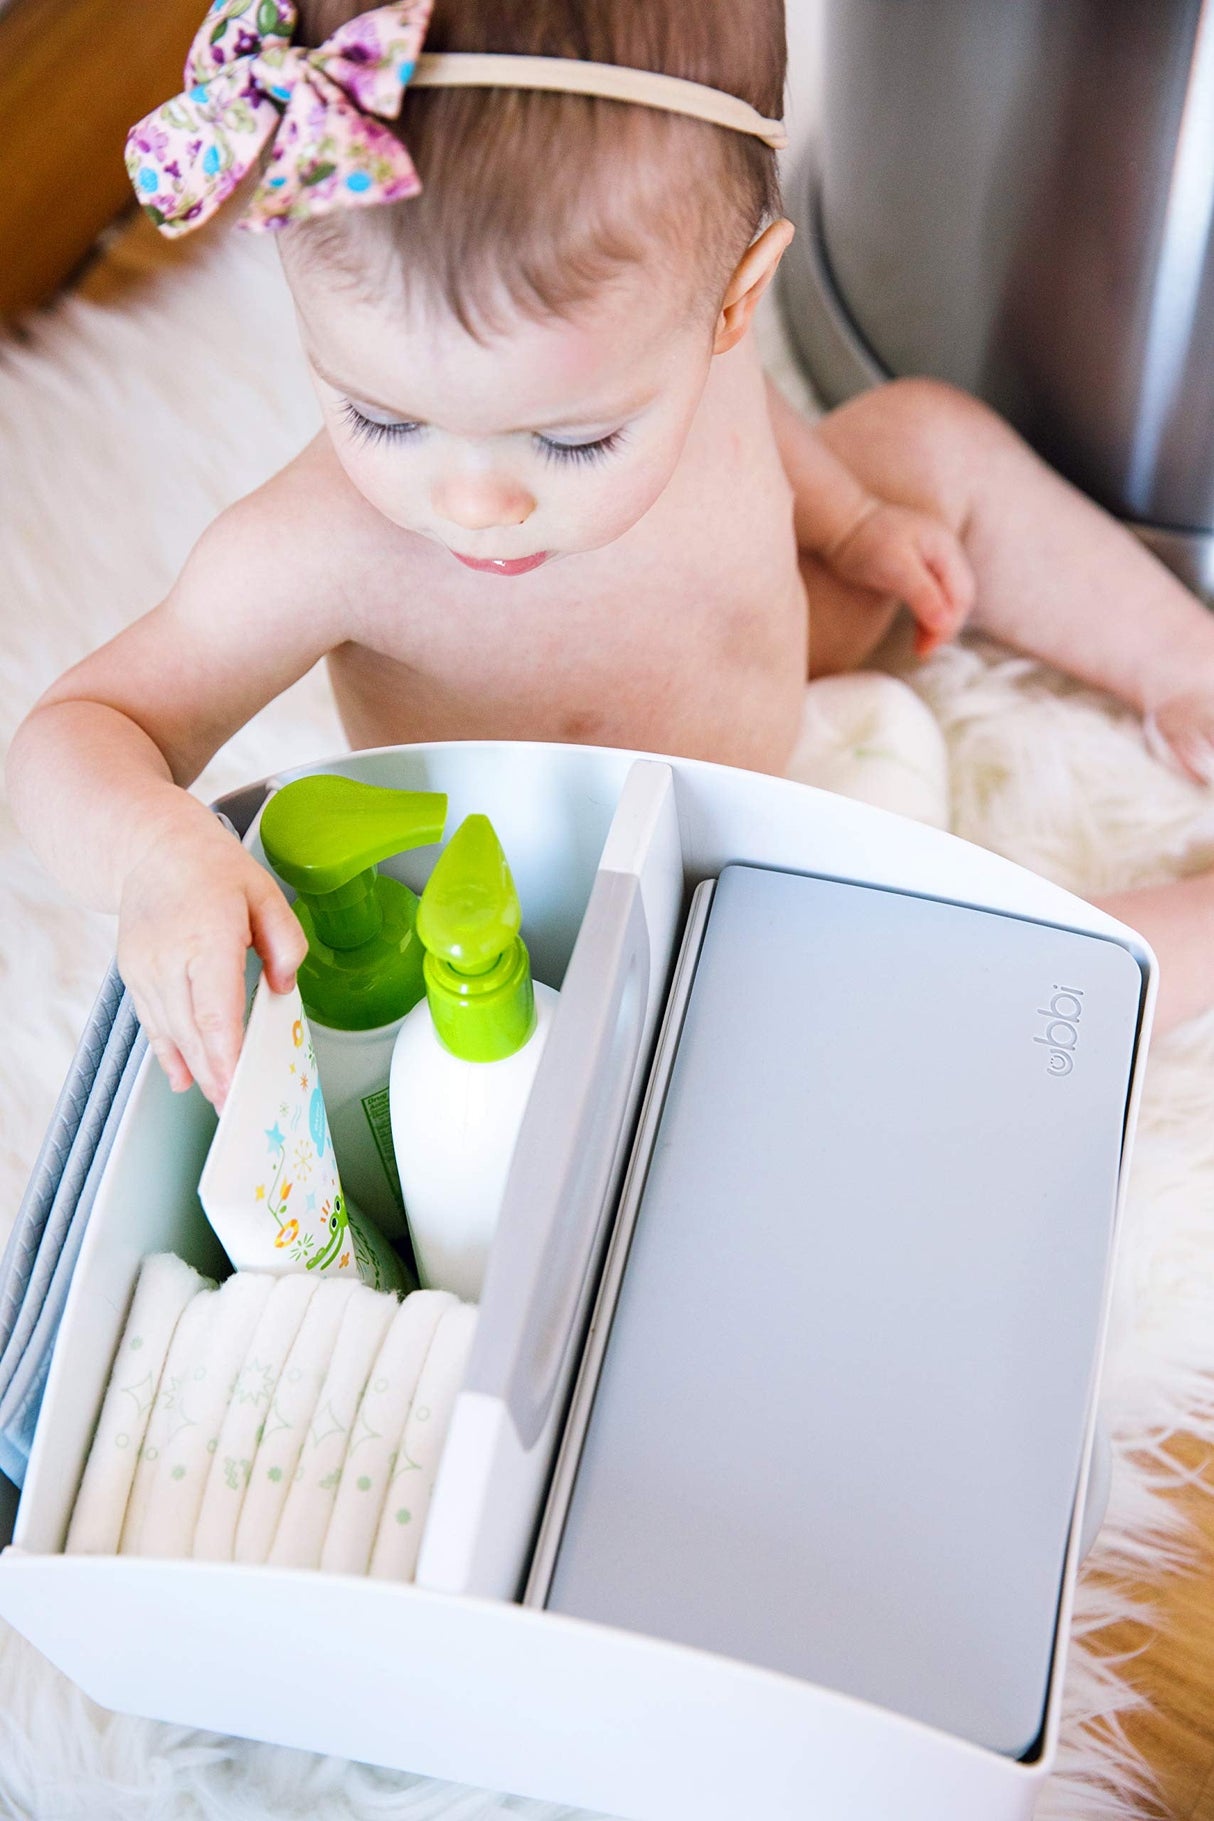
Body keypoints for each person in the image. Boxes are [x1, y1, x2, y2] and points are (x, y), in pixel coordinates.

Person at [9, 0, 1214, 1111]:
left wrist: (849, 520)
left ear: (730, 304)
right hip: (614, 931)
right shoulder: (322, 545)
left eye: (573, 437)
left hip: (776, 684)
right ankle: (1163, 938)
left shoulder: (678, 338)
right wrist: (159, 853)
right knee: (927, 1018)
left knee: (929, 442)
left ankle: (1182, 663)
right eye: (380, 415)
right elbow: (81, 728)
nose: (474, 501)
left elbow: (751, 422)